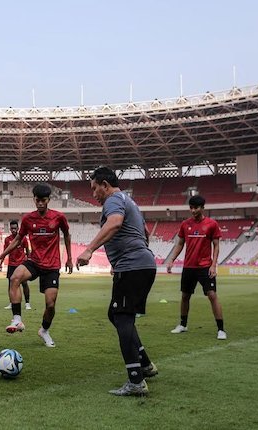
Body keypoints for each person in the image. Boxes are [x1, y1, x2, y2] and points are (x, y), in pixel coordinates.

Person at [76, 166, 158, 396]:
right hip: (142, 264)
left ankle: (136, 381)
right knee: (118, 315)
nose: (93, 194)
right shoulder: (129, 201)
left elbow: (114, 223)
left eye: (94, 188)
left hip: (132, 266)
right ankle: (145, 364)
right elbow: (145, 233)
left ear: (104, 184)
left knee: (122, 318)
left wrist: (89, 249)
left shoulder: (112, 200)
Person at [0, 183, 73, 347]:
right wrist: (0, 256)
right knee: (14, 278)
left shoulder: (58, 217)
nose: (40, 203)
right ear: (34, 200)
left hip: (52, 265)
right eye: (37, 200)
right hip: (34, 261)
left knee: (50, 305)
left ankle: (44, 330)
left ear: (48, 200)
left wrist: (69, 258)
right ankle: (17, 319)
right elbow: (17, 240)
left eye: (43, 200)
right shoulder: (28, 219)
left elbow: (67, 235)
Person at [164, 195, 227, 340]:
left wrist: (213, 265)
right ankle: (183, 325)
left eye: (196, 208)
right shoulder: (185, 224)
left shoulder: (211, 224)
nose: (193, 210)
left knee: (212, 295)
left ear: (202, 208)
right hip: (189, 266)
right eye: (191, 208)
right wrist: (171, 259)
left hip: (205, 266)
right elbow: (180, 244)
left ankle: (221, 329)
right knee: (185, 296)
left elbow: (216, 246)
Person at [0, 220, 31, 310]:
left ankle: (27, 303)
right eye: (12, 228)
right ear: (10, 229)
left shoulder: (23, 239)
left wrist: (29, 262)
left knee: (24, 283)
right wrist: (1, 264)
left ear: (18, 228)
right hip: (11, 264)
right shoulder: (7, 239)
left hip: (21, 264)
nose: (13, 230)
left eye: (15, 228)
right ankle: (11, 303)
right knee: (10, 284)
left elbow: (27, 251)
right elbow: (4, 252)